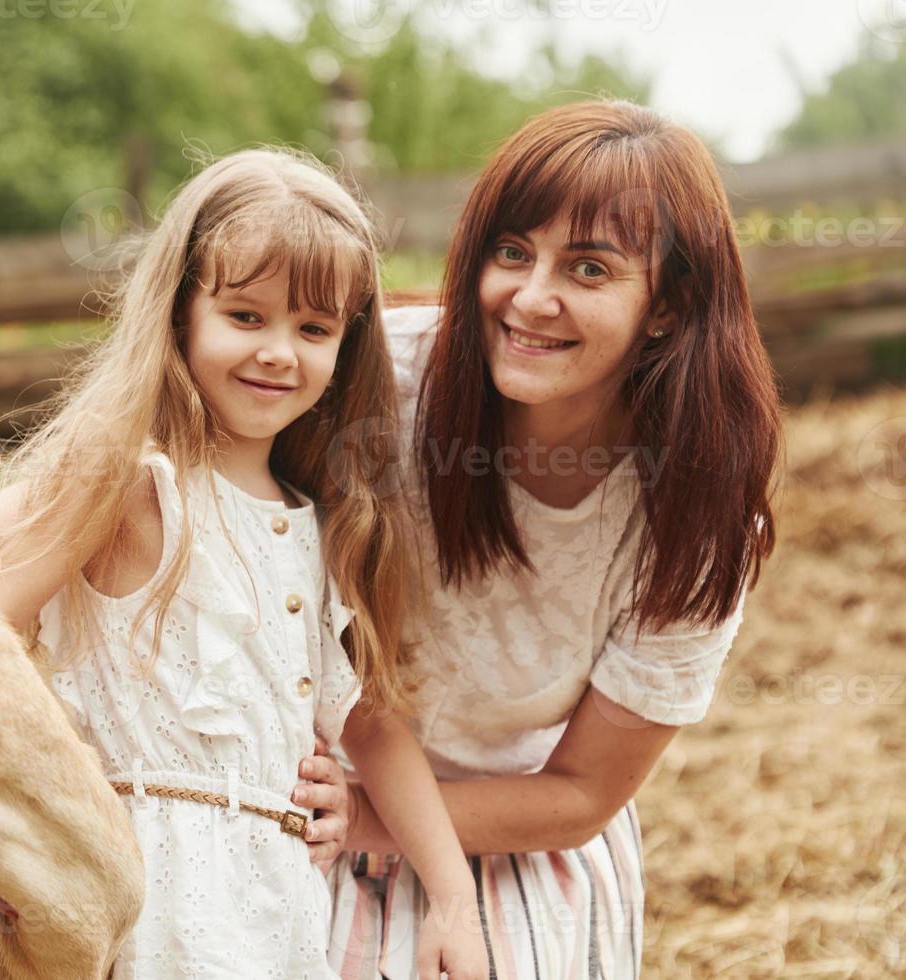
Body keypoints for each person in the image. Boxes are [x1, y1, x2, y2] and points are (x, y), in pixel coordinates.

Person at [0, 148, 489, 979]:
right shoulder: (133, 482)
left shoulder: (327, 522)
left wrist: (452, 900)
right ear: (181, 312)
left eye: (314, 329)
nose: (280, 353)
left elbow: (373, 725)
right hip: (139, 896)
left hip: (277, 909)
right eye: (246, 317)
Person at [319, 100, 782, 979]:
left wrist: (369, 819)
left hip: (514, 824)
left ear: (667, 308)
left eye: (590, 267)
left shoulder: (699, 513)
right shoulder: (376, 384)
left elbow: (580, 796)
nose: (531, 298)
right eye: (510, 251)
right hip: (307, 782)